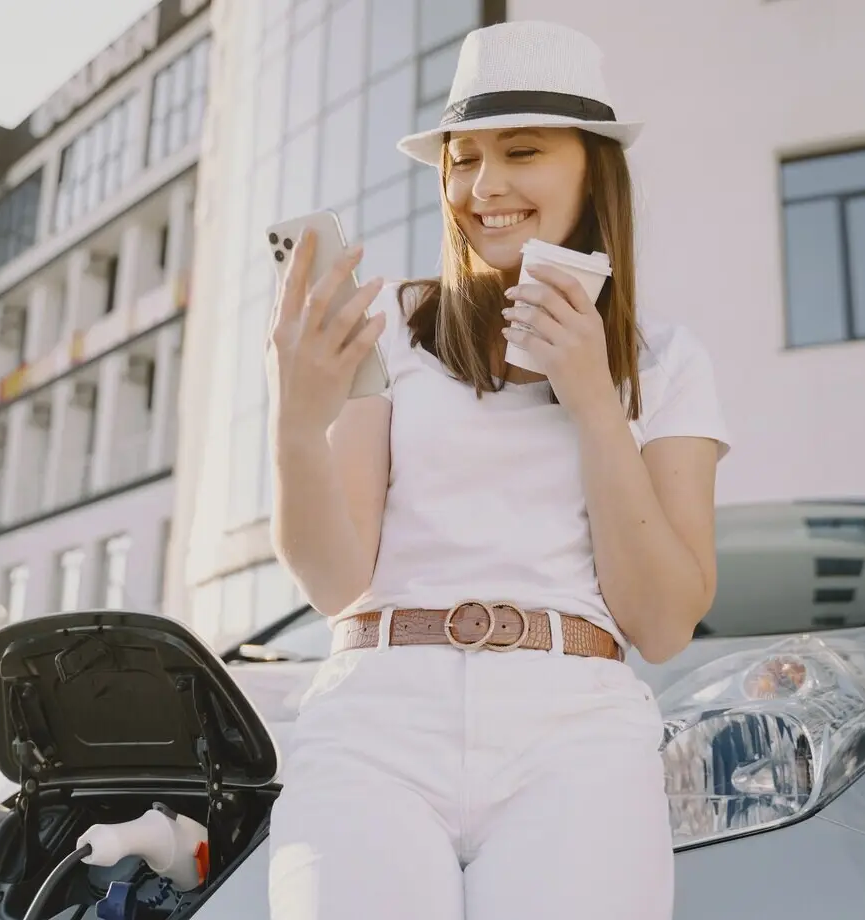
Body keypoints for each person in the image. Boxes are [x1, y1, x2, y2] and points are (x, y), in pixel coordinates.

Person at [263, 19, 730, 920]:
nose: (486, 186)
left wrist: (594, 397)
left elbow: (665, 621)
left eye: (522, 151)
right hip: (375, 722)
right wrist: (295, 424)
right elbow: (334, 580)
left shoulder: (666, 361)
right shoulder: (390, 325)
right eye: (463, 158)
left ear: (593, 168)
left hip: (575, 733)